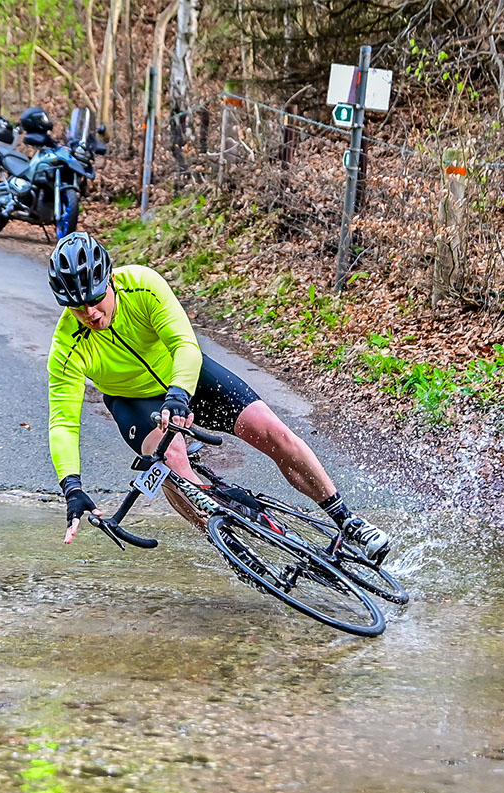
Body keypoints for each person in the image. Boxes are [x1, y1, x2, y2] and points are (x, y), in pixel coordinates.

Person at [47, 231, 391, 562]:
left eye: (95, 299)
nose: (90, 313)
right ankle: (235, 549)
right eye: (78, 307)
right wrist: (72, 487)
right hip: (134, 402)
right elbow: (63, 423)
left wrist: (179, 393)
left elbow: (184, 344)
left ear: (109, 281)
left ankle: (347, 520)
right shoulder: (67, 347)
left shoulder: (142, 285)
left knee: (275, 432)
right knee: (172, 466)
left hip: (188, 376)